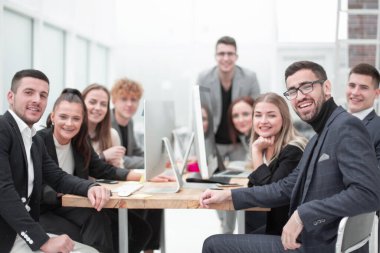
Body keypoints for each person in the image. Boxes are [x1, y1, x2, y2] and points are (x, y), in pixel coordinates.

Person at [200, 60, 380, 253]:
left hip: (319, 245)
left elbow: (368, 194)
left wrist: (303, 214)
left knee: (213, 245)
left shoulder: (346, 126)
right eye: (292, 91)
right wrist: (229, 194)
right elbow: (284, 188)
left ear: (326, 88)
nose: (300, 96)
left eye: (307, 87)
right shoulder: (318, 138)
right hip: (310, 239)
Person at [0, 69, 110, 253]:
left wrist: (90, 187)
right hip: (7, 237)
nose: (37, 100)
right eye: (29, 92)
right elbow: (3, 191)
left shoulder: (33, 140)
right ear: (11, 97)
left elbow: (58, 177)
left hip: (21, 232)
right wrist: (41, 240)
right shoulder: (3, 129)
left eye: (43, 95)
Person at [197, 35, 261, 233]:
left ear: (236, 56)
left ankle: (228, 231)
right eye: (221, 53)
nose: (226, 58)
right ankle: (225, 225)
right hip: (213, 142)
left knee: (236, 186)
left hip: (238, 142)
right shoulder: (203, 77)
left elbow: (257, 108)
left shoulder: (249, 77)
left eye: (230, 54)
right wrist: (197, 146)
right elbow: (199, 114)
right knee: (214, 186)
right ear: (216, 56)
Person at [111, 77, 162, 253]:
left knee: (156, 203)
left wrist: (157, 157)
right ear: (114, 101)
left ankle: (149, 250)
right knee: (146, 207)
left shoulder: (128, 122)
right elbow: (122, 159)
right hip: (114, 180)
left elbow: (136, 152)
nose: (129, 104)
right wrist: (150, 162)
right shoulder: (109, 123)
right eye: (124, 99)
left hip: (126, 178)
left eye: (133, 100)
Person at [245, 93, 307, 235]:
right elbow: (254, 187)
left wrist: (256, 152)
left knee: (214, 244)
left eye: (271, 115)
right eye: (258, 115)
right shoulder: (266, 146)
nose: (263, 121)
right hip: (274, 226)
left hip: (287, 235)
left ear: (284, 119)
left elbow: (268, 196)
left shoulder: (293, 151)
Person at [82, 83, 125, 168]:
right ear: (81, 103)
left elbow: (120, 170)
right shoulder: (73, 134)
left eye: (103, 104)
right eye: (92, 102)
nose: (98, 108)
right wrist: (103, 156)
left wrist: (117, 165)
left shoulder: (112, 135)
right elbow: (76, 171)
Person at [345, 63, 380, 163]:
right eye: (352, 85)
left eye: (363, 87)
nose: (355, 92)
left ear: (376, 93)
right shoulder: (331, 122)